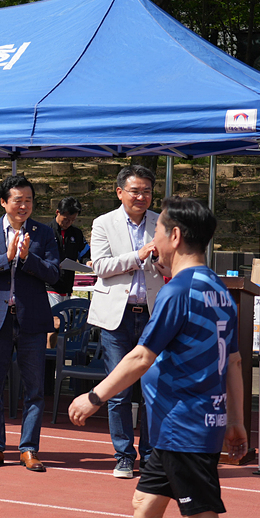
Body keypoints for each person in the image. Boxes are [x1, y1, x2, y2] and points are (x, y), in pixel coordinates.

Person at [69, 197, 257, 518]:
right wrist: (236, 422)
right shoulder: (219, 290)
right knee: (147, 504)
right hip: (193, 419)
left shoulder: (179, 290)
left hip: (182, 422)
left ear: (175, 236)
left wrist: (94, 396)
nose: (153, 239)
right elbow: (233, 363)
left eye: (157, 232)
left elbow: (140, 355)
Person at [0, 175, 59, 472]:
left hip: (31, 319)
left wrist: (28, 257)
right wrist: (6, 258)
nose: (24, 206)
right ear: (4, 202)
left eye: (28, 200)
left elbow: (55, 274)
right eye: (17, 200)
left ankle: (29, 448)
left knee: (35, 389)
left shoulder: (44, 233)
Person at [88, 165, 165, 478]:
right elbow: (101, 266)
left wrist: (159, 259)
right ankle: (123, 455)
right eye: (135, 190)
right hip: (116, 318)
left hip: (152, 315)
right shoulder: (103, 223)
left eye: (146, 190)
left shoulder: (162, 222)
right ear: (119, 192)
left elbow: (172, 263)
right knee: (118, 390)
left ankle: (148, 455)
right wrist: (138, 255)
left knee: (152, 389)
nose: (141, 196)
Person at [52, 196, 87, 298]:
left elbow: (84, 252)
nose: (69, 223)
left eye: (73, 220)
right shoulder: (46, 231)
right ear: (58, 212)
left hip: (67, 285)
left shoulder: (76, 233)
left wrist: (87, 261)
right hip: (49, 286)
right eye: (66, 219)